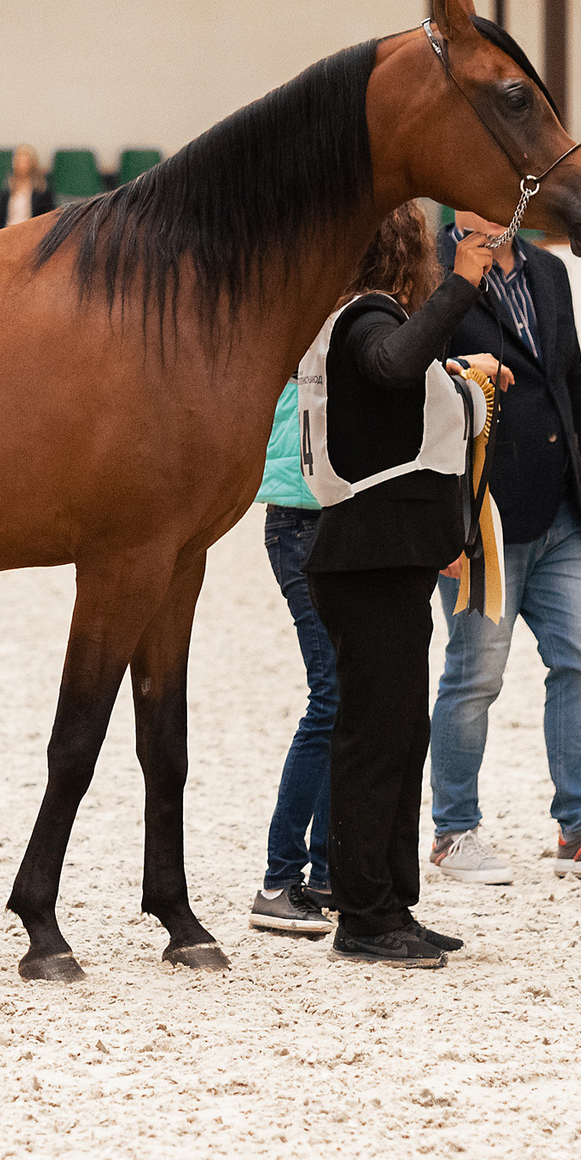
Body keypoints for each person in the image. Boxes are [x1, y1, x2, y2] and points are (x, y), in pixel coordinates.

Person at [424, 208, 581, 887]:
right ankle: (454, 831)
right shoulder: (430, 274)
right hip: (480, 518)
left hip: (562, 511)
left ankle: (580, 827)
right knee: (476, 675)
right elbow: (411, 373)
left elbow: (568, 382)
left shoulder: (550, 270)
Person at [301, 204, 508, 968]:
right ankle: (362, 914)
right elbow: (392, 366)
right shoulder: (364, 321)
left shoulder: (370, 319)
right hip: (368, 559)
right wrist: (462, 284)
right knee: (375, 737)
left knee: (398, 732)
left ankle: (391, 901)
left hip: (388, 556)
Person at [246, 378, 336, 938]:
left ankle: (324, 874)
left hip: (313, 517)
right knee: (330, 696)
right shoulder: (312, 331)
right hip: (303, 517)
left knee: (341, 699)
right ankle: (279, 880)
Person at [0, 144, 56, 227]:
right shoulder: (6, 191)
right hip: (8, 232)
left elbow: (48, 219)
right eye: (18, 161)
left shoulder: (41, 192)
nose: (20, 165)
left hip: (31, 233)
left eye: (24, 162)